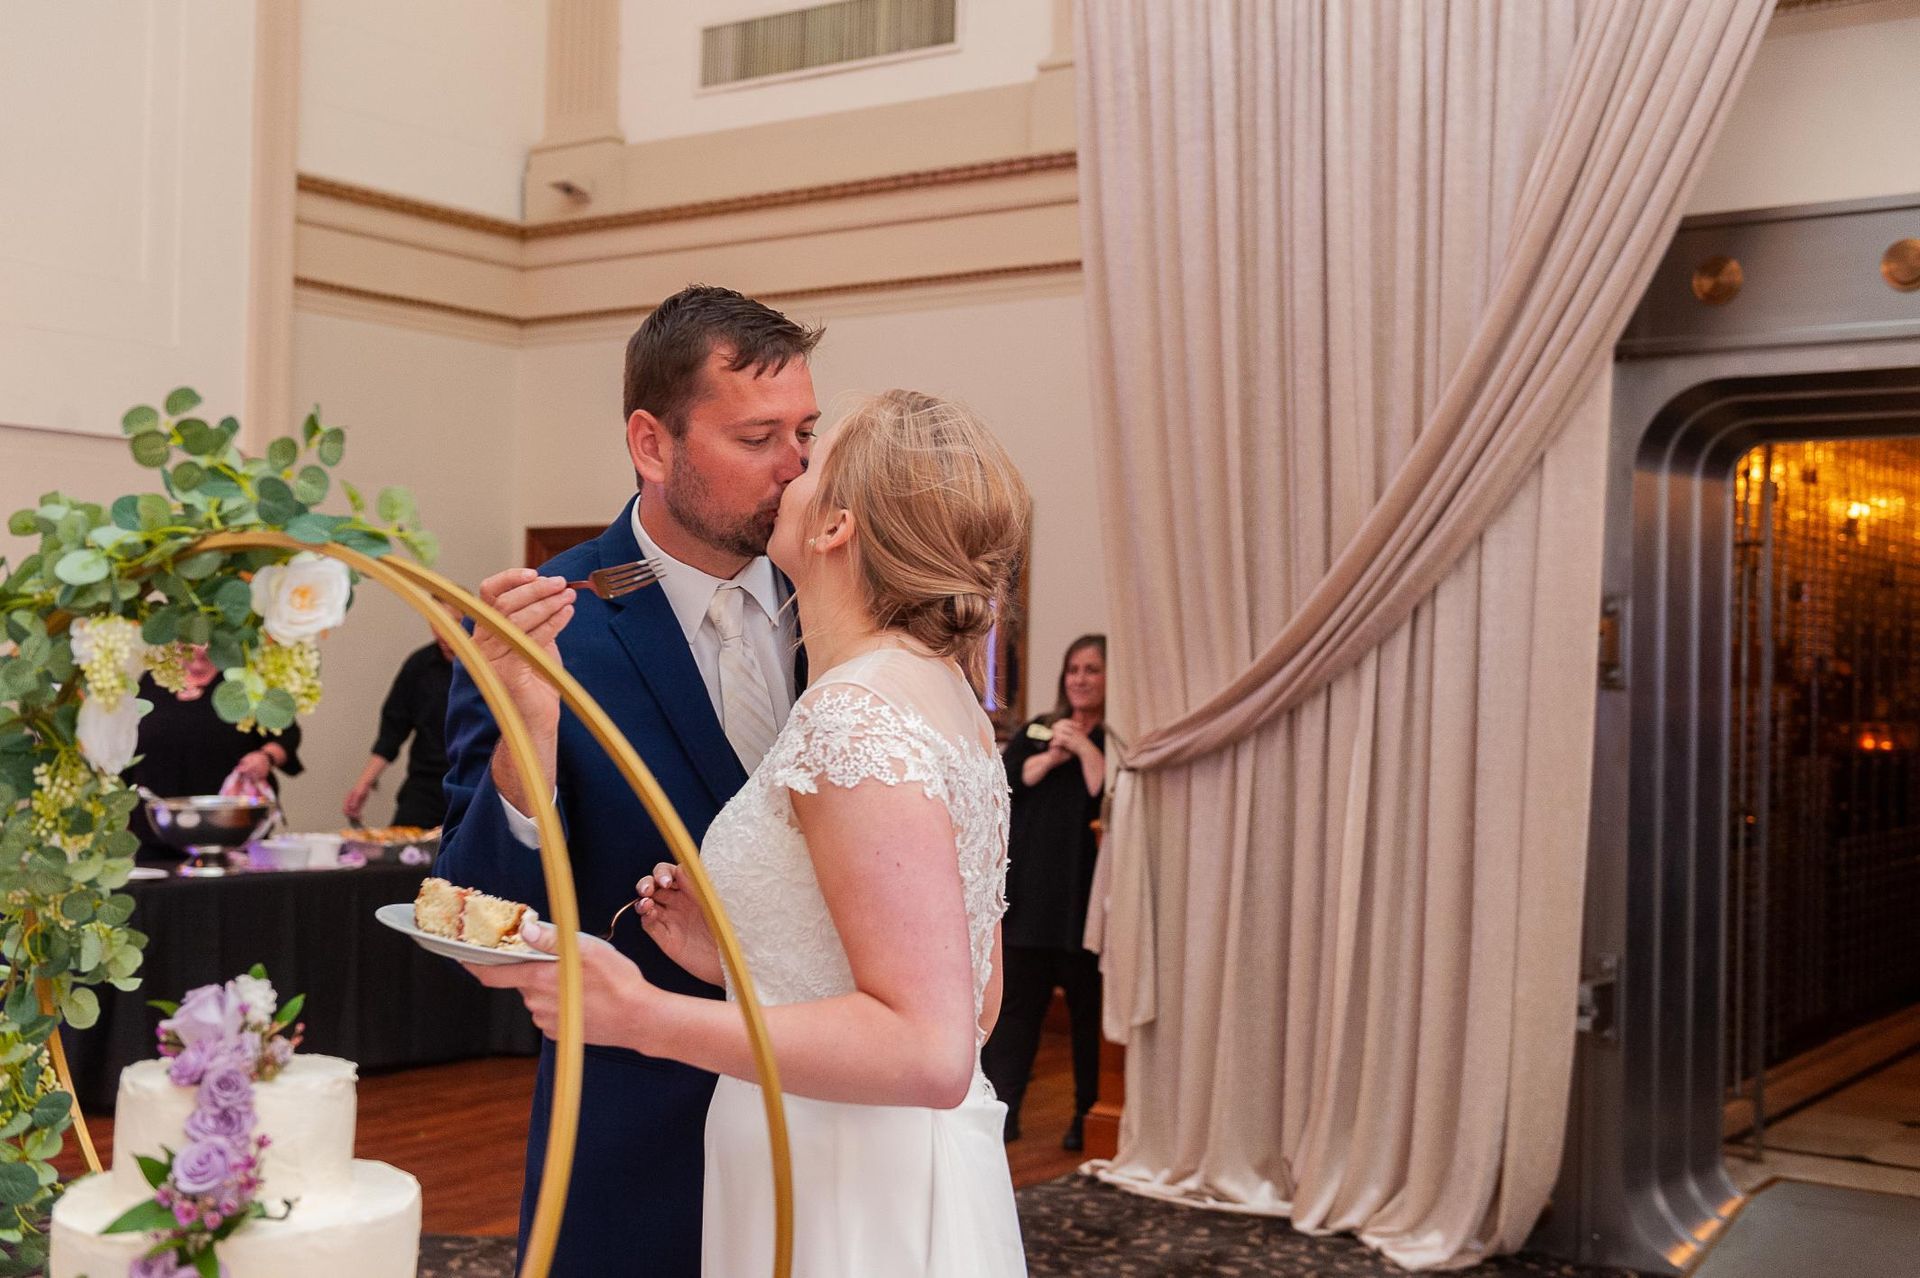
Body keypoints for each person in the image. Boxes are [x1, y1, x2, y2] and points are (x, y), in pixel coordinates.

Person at [470, 390, 1032, 1277]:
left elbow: (932, 1050)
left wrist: (647, 1013)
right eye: (764, 439)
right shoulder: (942, 693)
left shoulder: (856, 713)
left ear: (839, 526)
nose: (789, 471)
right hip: (840, 1154)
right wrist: (745, 964)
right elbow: (976, 998)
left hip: (837, 1177)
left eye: (812, 450)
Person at [434, 284, 822, 1277]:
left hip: (835, 1127)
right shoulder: (550, 626)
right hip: (642, 1149)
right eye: (759, 437)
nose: (798, 469)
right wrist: (528, 731)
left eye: (806, 433)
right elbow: (472, 920)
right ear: (652, 445)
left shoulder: (845, 600)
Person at [981, 635, 1107, 1150]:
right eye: (1073, 668)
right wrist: (1054, 754)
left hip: (1085, 910)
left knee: (1087, 1020)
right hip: (1031, 903)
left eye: (1092, 669)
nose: (1079, 678)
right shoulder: (1037, 729)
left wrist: (1084, 750)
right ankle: (1001, 1113)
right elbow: (1007, 785)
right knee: (1015, 1017)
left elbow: (1108, 792)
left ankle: (1086, 1116)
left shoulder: (1118, 741)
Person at [127, 647, 301, 859]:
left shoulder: (243, 680)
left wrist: (266, 757)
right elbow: (128, 746)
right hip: (155, 835)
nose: (199, 646)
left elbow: (287, 734)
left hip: (233, 834)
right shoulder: (153, 680)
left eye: (207, 637)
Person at [342, 608, 458, 829]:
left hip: (475, 786)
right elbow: (392, 732)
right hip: (424, 787)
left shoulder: (491, 667)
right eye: (436, 623)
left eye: (454, 622)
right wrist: (362, 785)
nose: (444, 633)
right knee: (401, 856)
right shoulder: (419, 665)